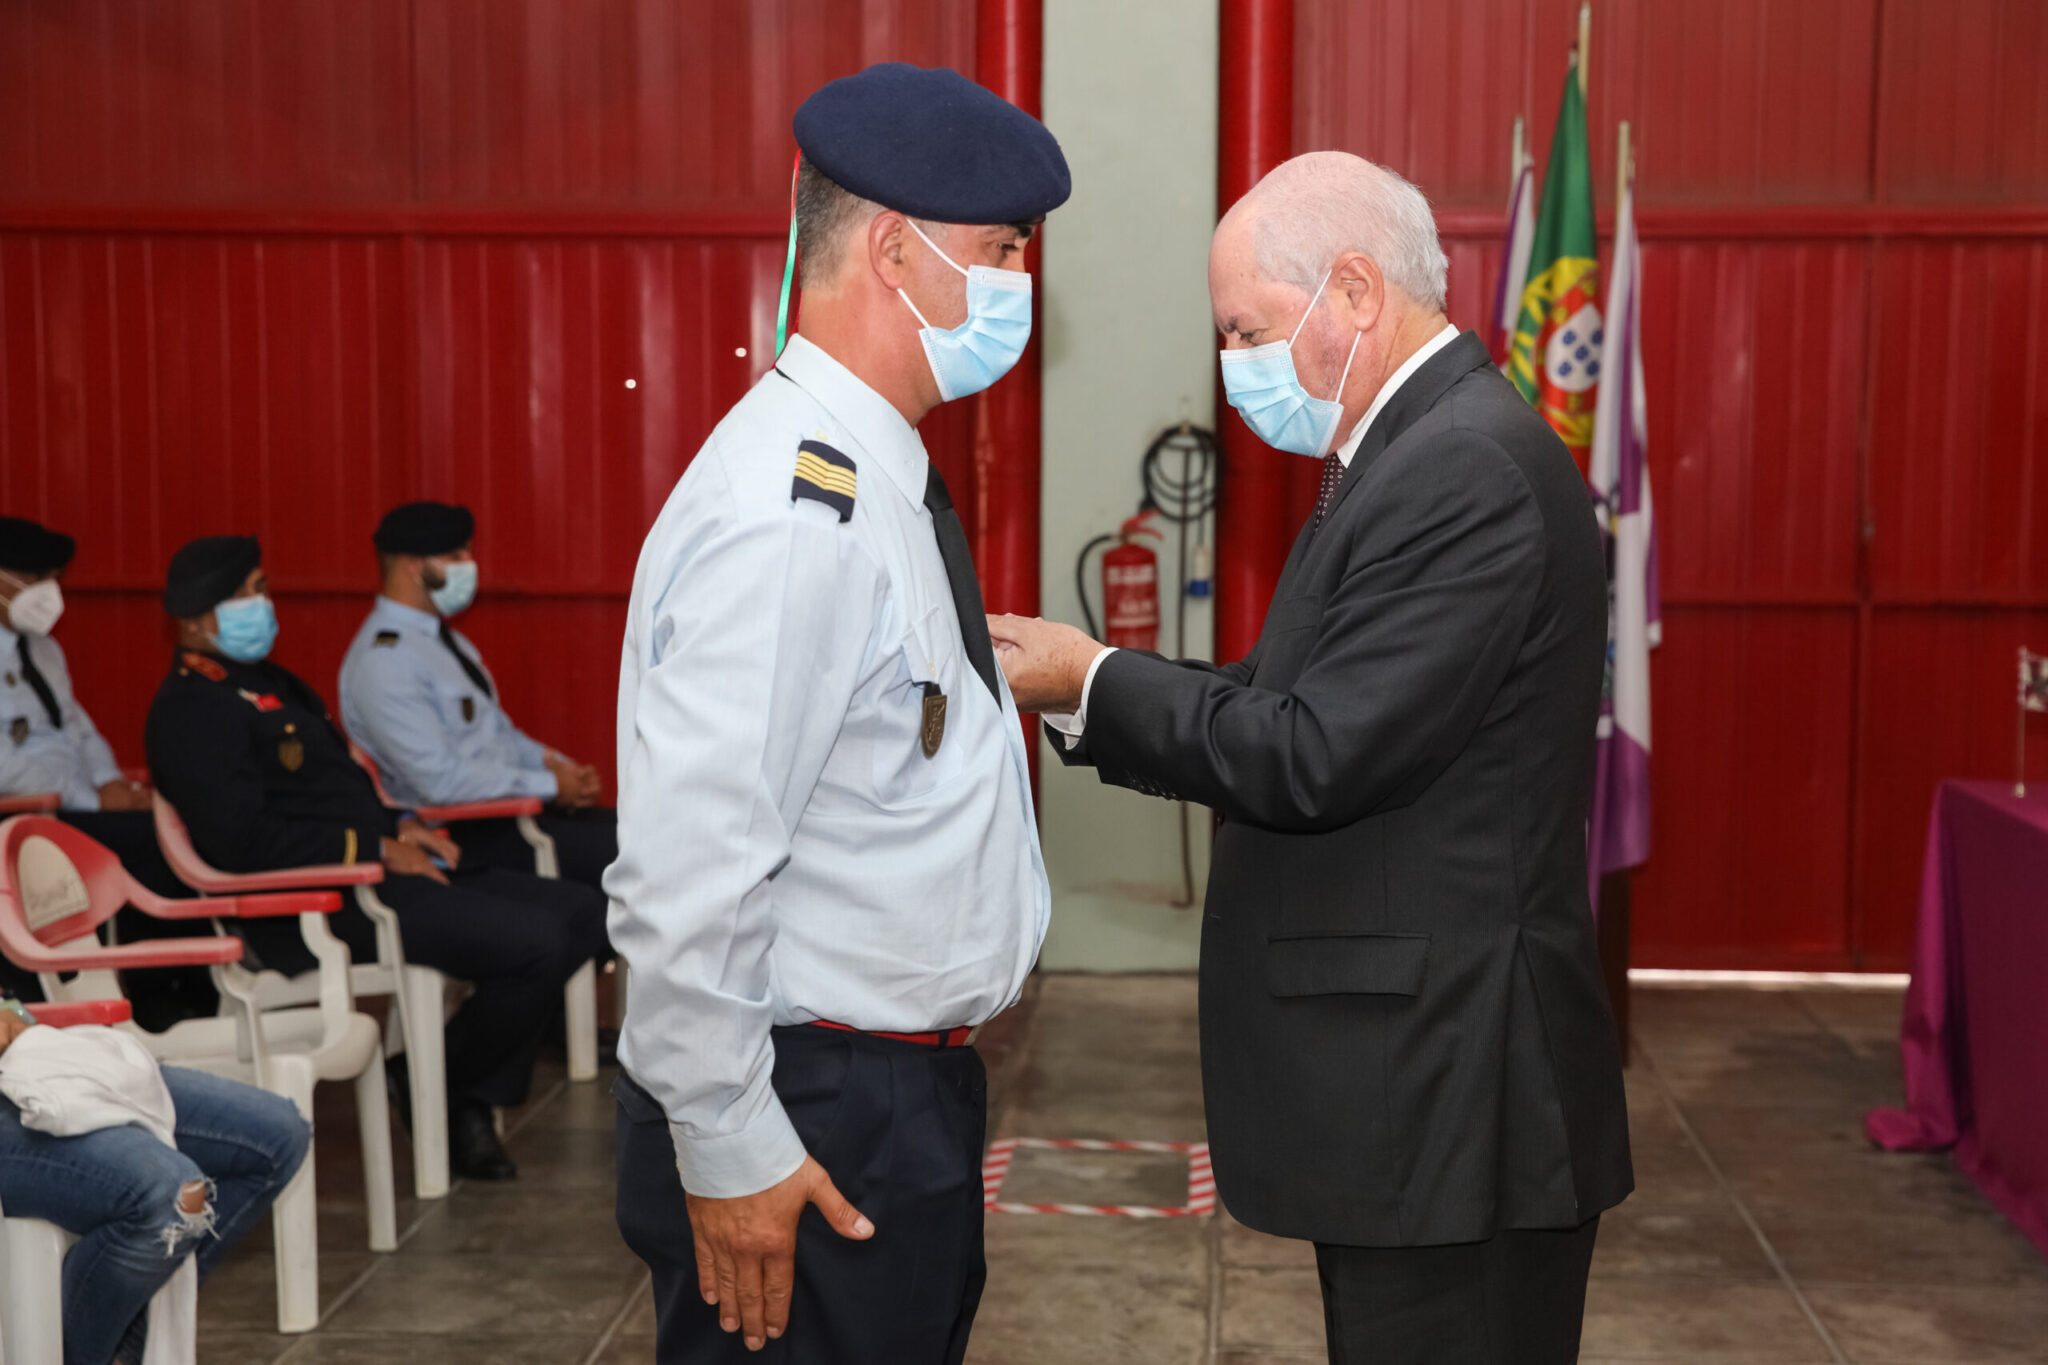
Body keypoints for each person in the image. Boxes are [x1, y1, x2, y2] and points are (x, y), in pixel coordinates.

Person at [990, 152, 1634, 1365]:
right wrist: (1086, 686)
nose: (1232, 362)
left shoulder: (1458, 467)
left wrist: (1088, 679)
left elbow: (1315, 752)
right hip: (1417, 1090)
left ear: (1352, 290)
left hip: (1455, 1089)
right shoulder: (1401, 452)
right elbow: (1280, 693)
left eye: (1246, 330)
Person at [607, 62, 1062, 1364]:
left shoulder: (872, 477)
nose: (1019, 281)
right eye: (1000, 249)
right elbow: (692, 872)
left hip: (888, 1092)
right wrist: (730, 1143)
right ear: (893, 252)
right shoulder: (793, 513)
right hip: (806, 1103)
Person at [144, 535, 610, 1181]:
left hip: (376, 872)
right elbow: (241, 842)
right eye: (249, 592)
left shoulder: (270, 683)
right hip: (318, 902)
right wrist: (371, 848)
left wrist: (401, 826)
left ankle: (435, 1072)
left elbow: (335, 791)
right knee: (534, 941)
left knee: (582, 910)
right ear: (196, 619)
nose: (265, 603)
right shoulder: (191, 709)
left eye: (262, 587)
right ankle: (455, 1091)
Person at [0, 993, 311, 1365]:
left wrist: (12, 1014)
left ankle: (126, 1344)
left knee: (278, 1135)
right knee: (170, 1194)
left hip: (31, 1061)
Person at [339, 500, 617, 891]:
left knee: (640, 833)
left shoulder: (444, 642)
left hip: (507, 815)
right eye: (455, 556)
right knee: (631, 855)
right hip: (460, 835)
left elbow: (496, 735)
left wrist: (556, 766)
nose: (469, 565)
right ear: (412, 565)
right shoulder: (384, 660)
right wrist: (549, 785)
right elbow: (439, 782)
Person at [0, 516, 206, 1022]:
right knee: (152, 845)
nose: (48, 592)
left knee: (170, 828)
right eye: (34, 578)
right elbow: (8, 767)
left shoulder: (44, 649)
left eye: (54, 578)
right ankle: (159, 1004)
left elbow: (77, 730)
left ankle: (178, 994)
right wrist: (92, 799)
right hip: (17, 821)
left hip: (64, 809)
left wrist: (113, 784)